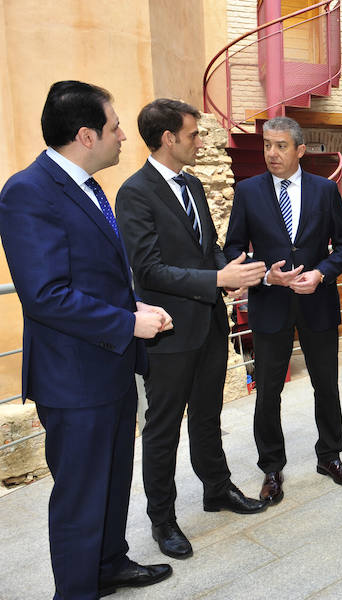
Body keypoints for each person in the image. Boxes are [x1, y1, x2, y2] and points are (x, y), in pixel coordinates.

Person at [0, 81, 174, 598]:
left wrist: (133, 306)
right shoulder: (27, 192)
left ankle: (109, 564)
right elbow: (46, 296)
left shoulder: (89, 187)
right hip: (74, 379)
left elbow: (92, 276)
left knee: (114, 479)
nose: (124, 135)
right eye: (116, 126)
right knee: (80, 496)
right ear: (85, 135)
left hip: (111, 370)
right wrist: (126, 324)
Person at [115, 99, 269, 561]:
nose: (200, 141)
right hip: (167, 333)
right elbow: (149, 270)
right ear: (168, 138)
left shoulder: (194, 185)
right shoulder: (134, 193)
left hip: (209, 325)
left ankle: (216, 489)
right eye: (193, 134)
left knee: (207, 417)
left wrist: (231, 269)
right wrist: (217, 280)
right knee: (162, 429)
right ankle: (162, 520)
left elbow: (210, 249)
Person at [223, 116, 342, 503]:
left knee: (326, 385)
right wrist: (265, 275)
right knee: (268, 390)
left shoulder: (324, 190)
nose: (272, 153)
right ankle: (271, 467)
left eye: (281, 146)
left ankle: (330, 456)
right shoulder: (247, 191)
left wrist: (320, 273)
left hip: (317, 301)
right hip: (270, 303)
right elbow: (232, 248)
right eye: (267, 145)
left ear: (300, 150)